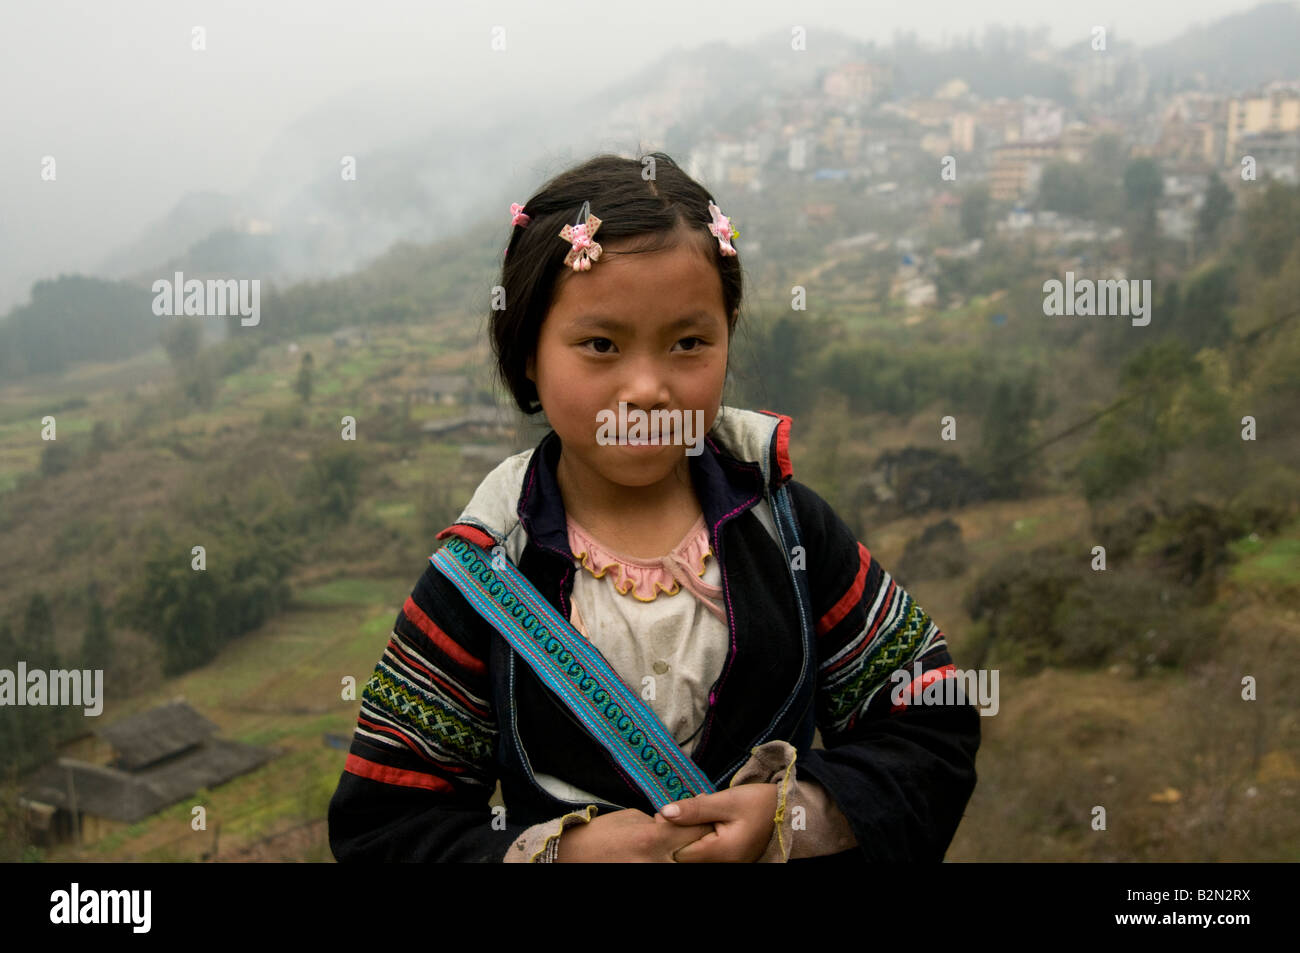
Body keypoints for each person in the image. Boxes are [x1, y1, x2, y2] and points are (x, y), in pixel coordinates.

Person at [327, 152, 980, 863]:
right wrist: (558, 855)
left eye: (689, 342)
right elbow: (385, 824)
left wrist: (796, 813)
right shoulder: (481, 580)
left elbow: (931, 717)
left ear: (728, 339)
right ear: (527, 357)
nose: (647, 388)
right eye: (600, 344)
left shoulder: (788, 530)